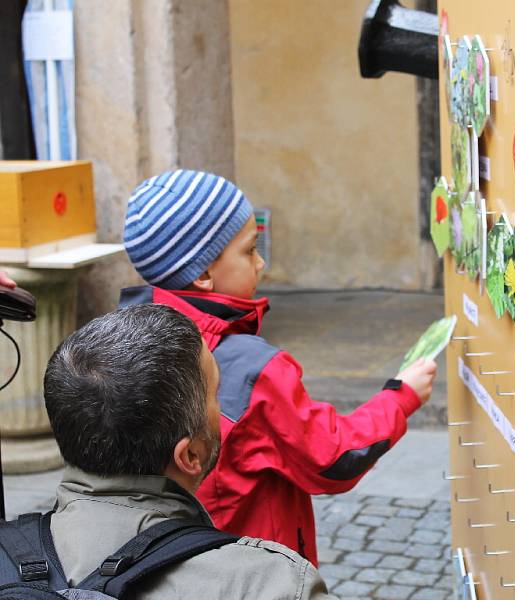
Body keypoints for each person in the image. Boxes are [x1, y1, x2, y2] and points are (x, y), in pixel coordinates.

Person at [35, 305, 515, 599]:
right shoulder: (263, 585)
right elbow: (334, 454)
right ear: (190, 456)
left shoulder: (18, 556)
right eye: (217, 397)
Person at [119, 169, 437, 566]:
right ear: (202, 273)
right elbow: (334, 457)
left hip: (169, 563)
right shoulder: (254, 369)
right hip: (255, 570)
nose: (261, 262)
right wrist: (401, 397)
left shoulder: (120, 348)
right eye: (249, 250)